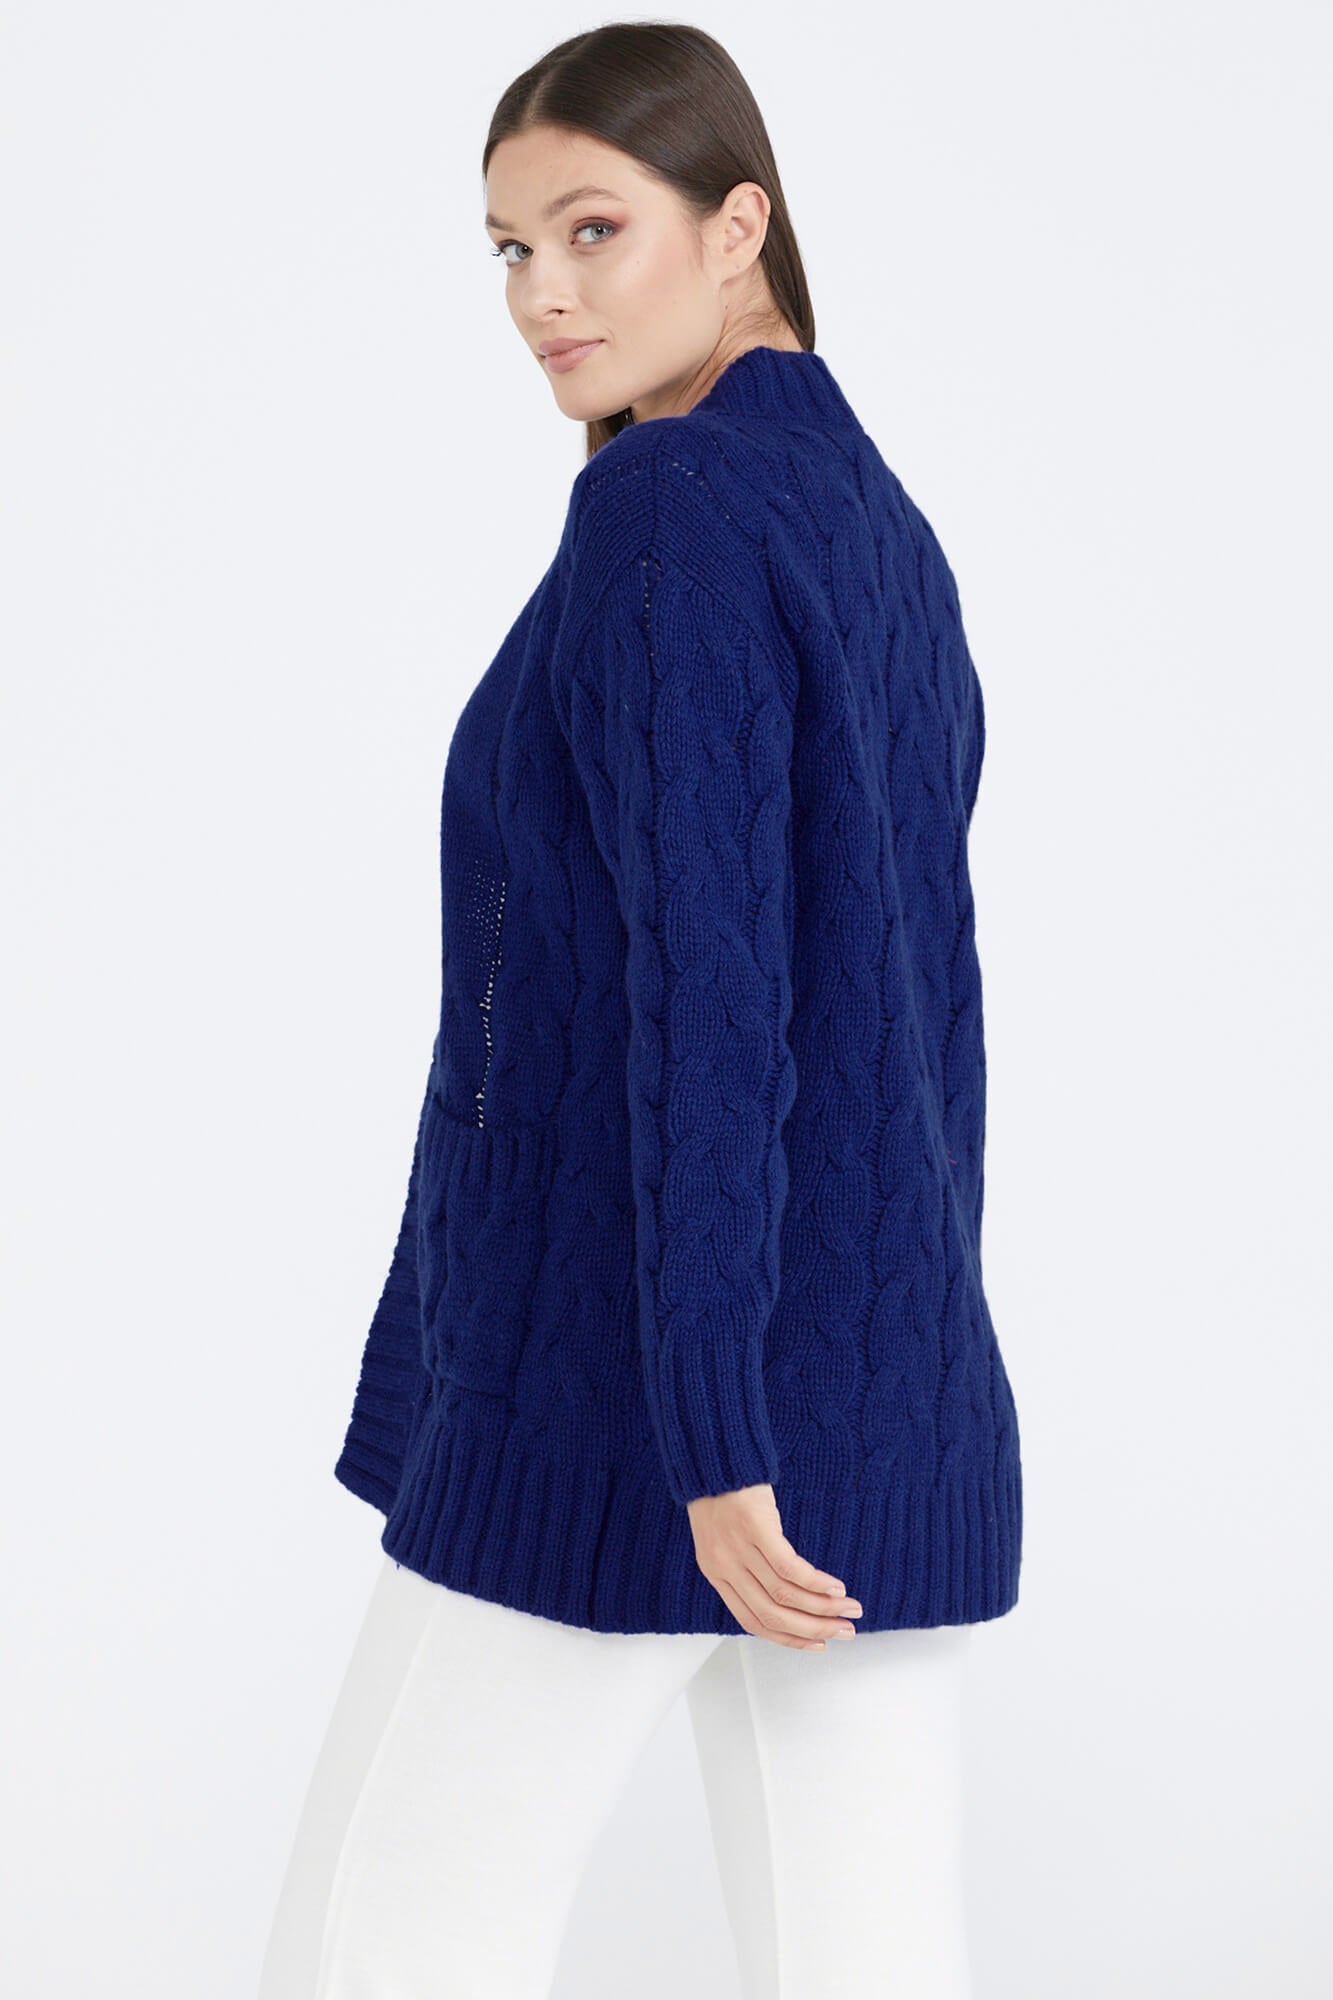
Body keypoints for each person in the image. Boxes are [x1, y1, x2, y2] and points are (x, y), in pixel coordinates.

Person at [259, 21, 1023, 1999]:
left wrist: (705, 1422)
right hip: (876, 1381)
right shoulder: (880, 533)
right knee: (867, 1959)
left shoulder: (672, 510)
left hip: (636, 1390)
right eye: (509, 249)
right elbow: (919, 1025)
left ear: (737, 224)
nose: (542, 294)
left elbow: (715, 999)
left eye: (593, 229)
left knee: (383, 1939)